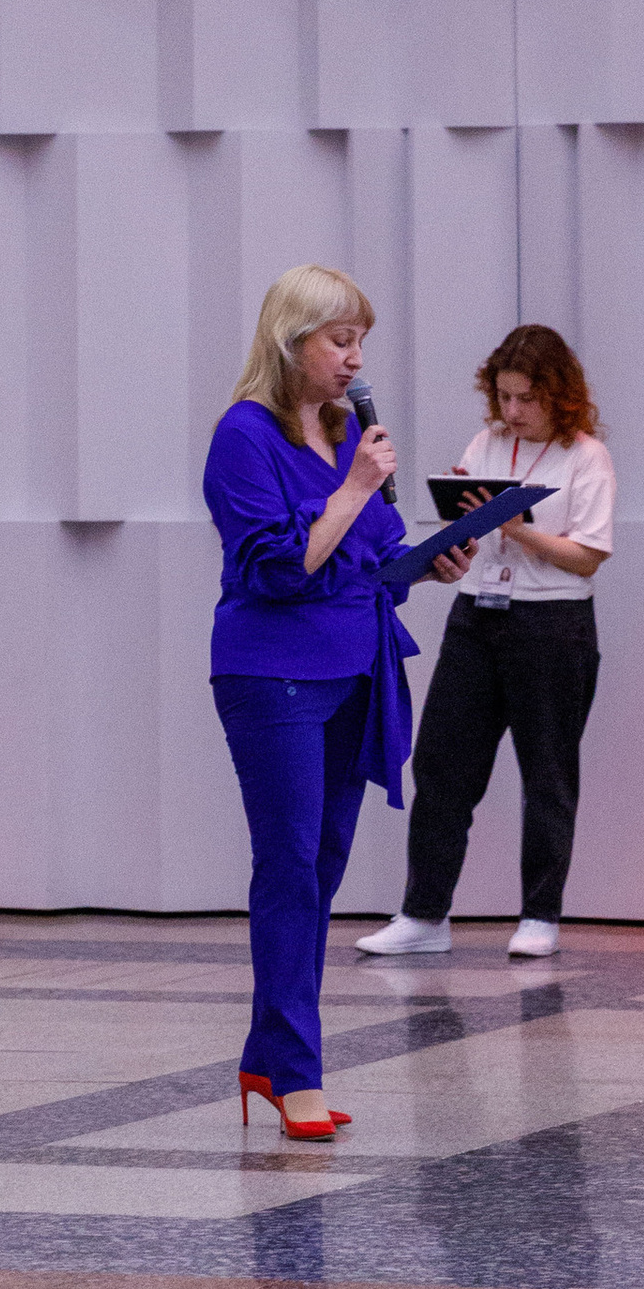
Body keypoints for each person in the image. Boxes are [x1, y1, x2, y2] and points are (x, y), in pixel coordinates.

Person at [203, 265, 471, 1140]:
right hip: (274, 673)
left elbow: (376, 557)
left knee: (319, 870)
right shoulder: (244, 436)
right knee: (286, 867)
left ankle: (266, 1058)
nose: (355, 360)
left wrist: (437, 560)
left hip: (355, 668)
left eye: (361, 342)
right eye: (340, 341)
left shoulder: (342, 427)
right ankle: (299, 1076)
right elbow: (281, 567)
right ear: (292, 344)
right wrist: (354, 484)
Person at [358, 325, 615, 969]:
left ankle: (539, 915)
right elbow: (463, 520)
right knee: (442, 764)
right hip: (477, 613)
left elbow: (587, 557)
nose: (512, 411)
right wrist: (464, 519)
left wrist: (518, 528)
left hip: (552, 624)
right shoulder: (488, 441)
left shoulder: (586, 457)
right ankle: (423, 914)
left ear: (559, 396)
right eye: (503, 396)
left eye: (525, 398)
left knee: (547, 772)